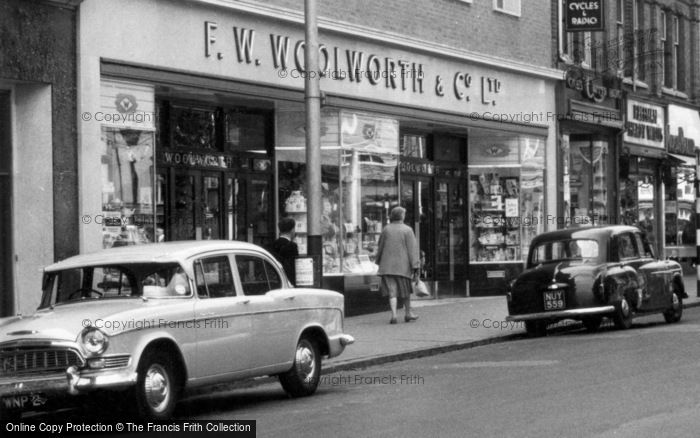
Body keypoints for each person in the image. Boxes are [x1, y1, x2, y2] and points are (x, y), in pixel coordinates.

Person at [375, 206, 420, 324]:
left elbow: (380, 246)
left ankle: (394, 315)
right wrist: (415, 265)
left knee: (392, 291)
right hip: (403, 266)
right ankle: (408, 313)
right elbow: (412, 250)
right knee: (405, 291)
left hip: (387, 266)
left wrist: (378, 260)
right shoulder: (407, 230)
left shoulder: (386, 229)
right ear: (402, 216)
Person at [268, 217, 299, 285]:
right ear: (292, 230)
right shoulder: (292, 246)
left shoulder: (273, 244)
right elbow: (294, 267)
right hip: (288, 282)